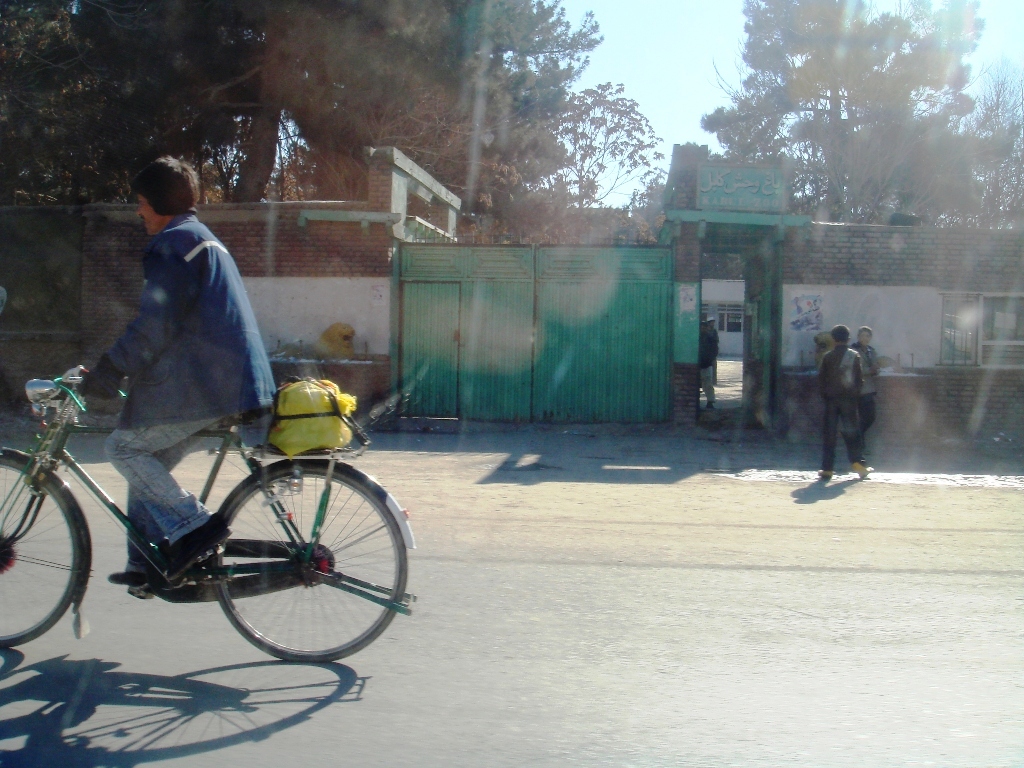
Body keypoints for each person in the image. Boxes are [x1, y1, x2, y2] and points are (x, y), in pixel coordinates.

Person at [80, 157, 275, 594]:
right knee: (146, 459)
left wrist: (111, 367)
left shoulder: (174, 242)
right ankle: (147, 562)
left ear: (161, 205)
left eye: (142, 203)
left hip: (211, 384)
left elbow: (155, 322)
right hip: (233, 379)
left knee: (123, 448)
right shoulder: (204, 239)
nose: (138, 212)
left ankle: (194, 525)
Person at [817, 325, 871, 481]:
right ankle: (858, 464)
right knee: (852, 432)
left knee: (829, 434)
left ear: (833, 339)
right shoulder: (854, 356)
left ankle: (827, 469)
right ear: (848, 339)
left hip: (831, 401)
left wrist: (826, 396)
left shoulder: (827, 357)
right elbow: (859, 380)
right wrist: (854, 396)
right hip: (849, 400)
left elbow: (821, 380)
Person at [850, 326, 880, 443]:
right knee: (861, 416)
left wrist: (876, 369)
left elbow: (875, 365)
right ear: (858, 337)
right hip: (857, 388)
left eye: (867, 336)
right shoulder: (853, 350)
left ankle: (858, 436)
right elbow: (852, 369)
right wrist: (869, 371)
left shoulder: (871, 351)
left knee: (870, 417)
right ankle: (858, 441)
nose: (865, 338)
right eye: (862, 335)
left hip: (869, 388)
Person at [699, 318, 719, 410]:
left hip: (706, 364)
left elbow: (715, 350)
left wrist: (711, 359)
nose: (703, 329)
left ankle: (710, 402)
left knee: (708, 384)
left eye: (704, 327)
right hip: (698, 364)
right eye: (702, 327)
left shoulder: (711, 338)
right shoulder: (697, 337)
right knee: (703, 384)